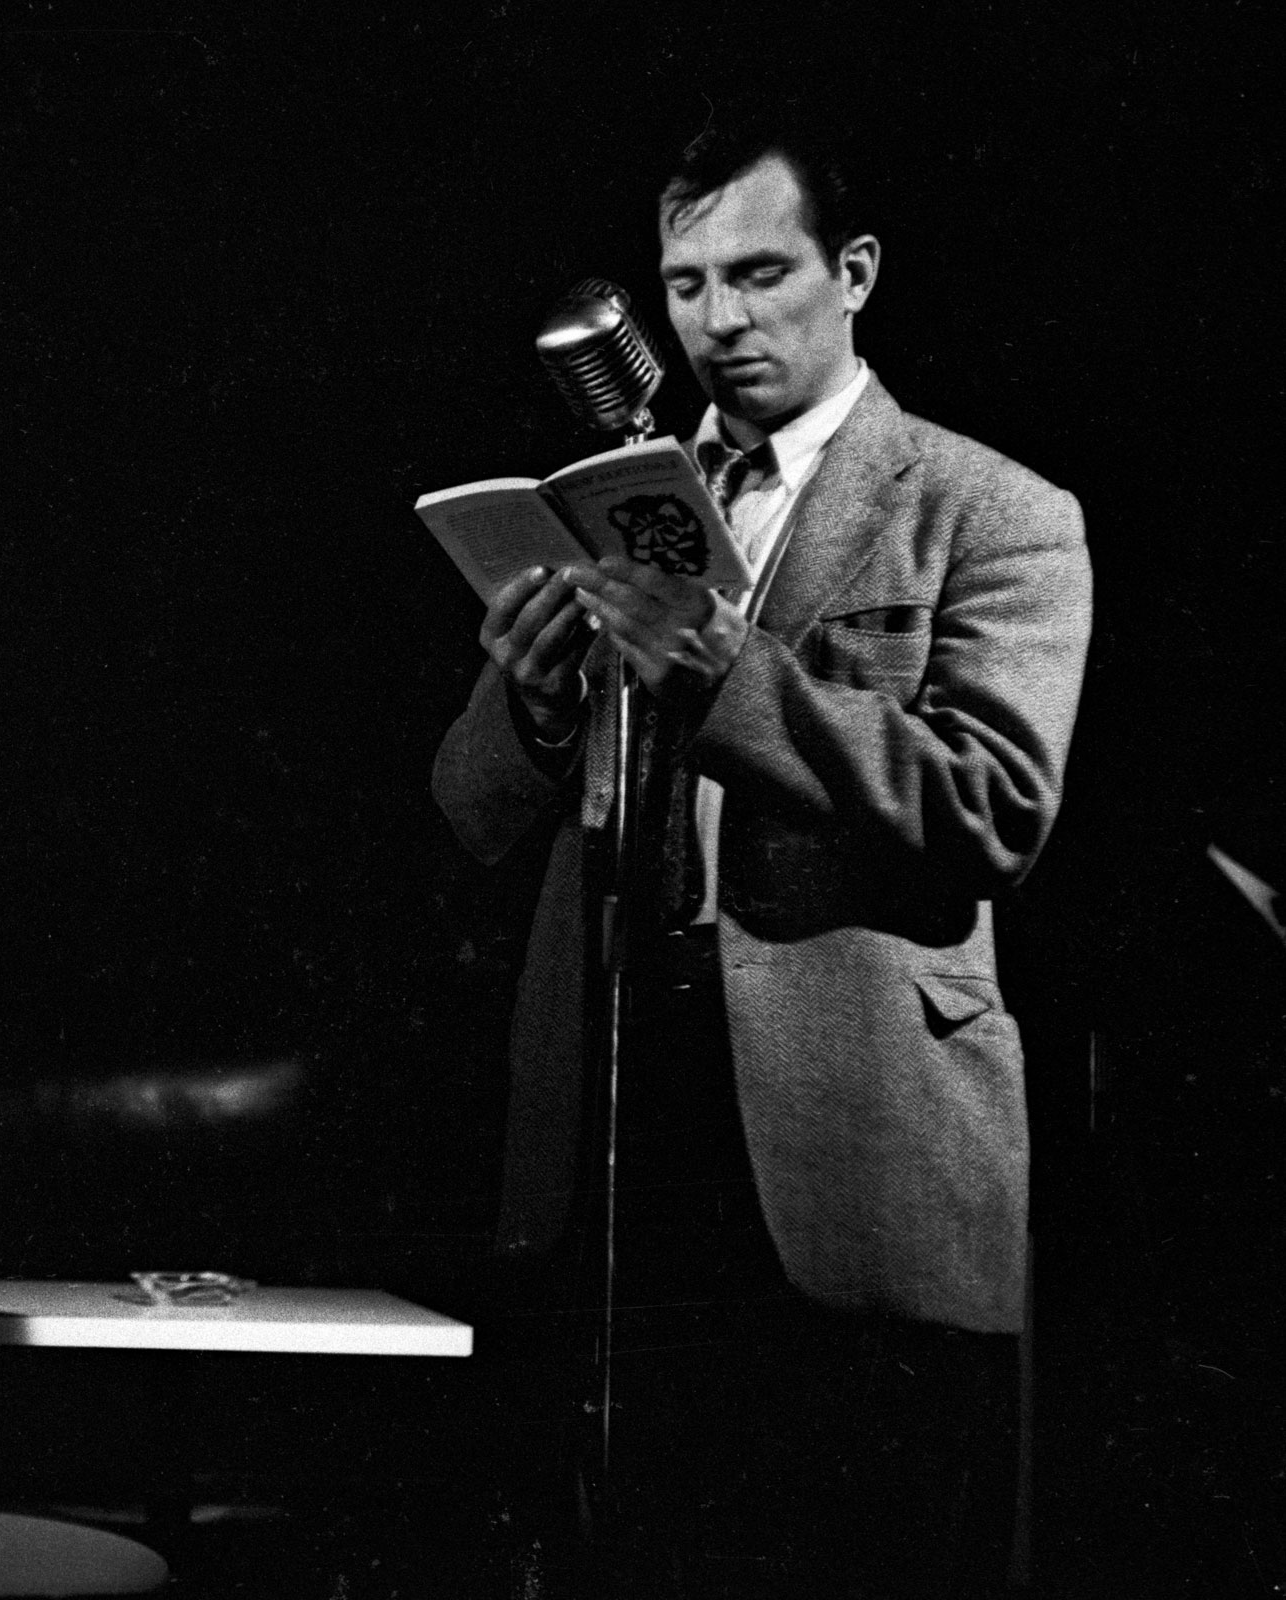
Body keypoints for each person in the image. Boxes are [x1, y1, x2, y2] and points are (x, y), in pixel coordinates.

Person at [433, 104, 1092, 1595]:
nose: (720, 319)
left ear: (852, 272)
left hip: (846, 1122)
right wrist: (535, 698)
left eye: (762, 273)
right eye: (686, 286)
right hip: (618, 1100)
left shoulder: (987, 510)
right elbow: (466, 812)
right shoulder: (618, 499)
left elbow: (993, 807)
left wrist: (725, 676)